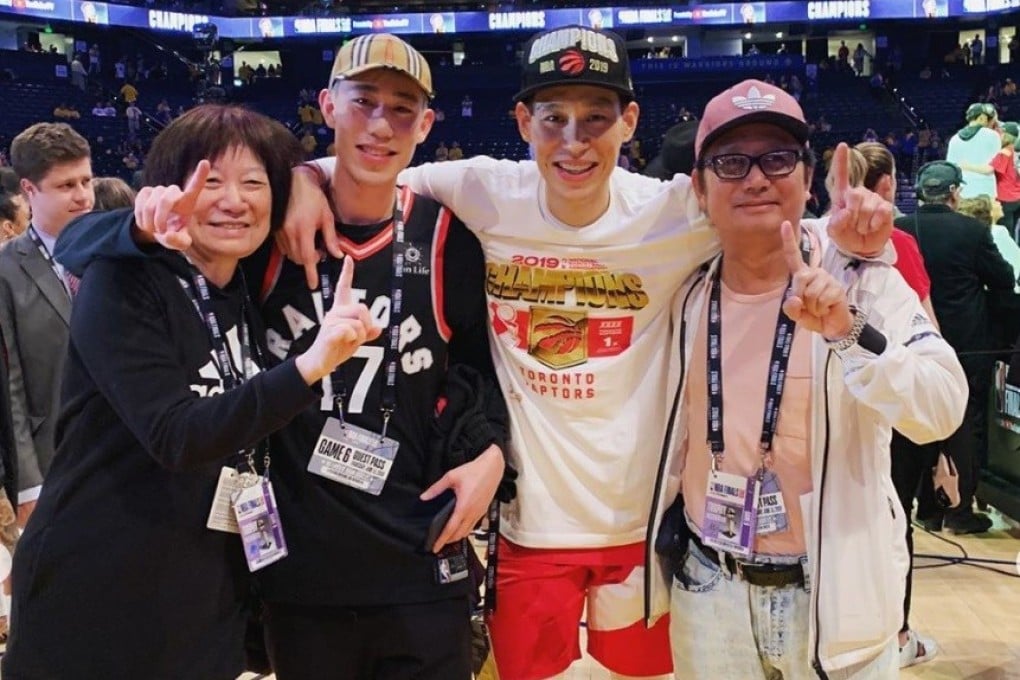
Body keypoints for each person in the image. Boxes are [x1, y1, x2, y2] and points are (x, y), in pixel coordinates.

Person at [284, 26, 894, 678]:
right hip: (531, 527)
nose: (573, 142)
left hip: (642, 527)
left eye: (596, 120)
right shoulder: (485, 190)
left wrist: (851, 236)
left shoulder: (671, 213)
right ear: (523, 121)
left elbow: (764, 214)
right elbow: (364, 165)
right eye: (554, 119)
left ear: (629, 122)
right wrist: (300, 176)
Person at [54, 35, 506, 680]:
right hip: (295, 569)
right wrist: (138, 221)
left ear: (427, 124)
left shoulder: (446, 238)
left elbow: (479, 373)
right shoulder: (261, 243)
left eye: (401, 109)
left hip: (418, 555)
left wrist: (492, 451)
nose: (379, 125)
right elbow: (82, 244)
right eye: (363, 102)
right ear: (327, 106)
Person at [3, 104, 382, 679]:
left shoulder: (244, 280)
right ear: (167, 190)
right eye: (210, 181)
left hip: (204, 591)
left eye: (254, 183)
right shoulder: (125, 279)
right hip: (97, 592)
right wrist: (308, 367)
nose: (234, 200)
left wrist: (302, 180)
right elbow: (176, 436)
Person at [649, 79, 967, 679]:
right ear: (699, 185)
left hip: (835, 597)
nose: (755, 178)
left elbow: (943, 406)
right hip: (708, 587)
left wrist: (850, 331)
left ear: (805, 173)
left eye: (776, 158)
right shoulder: (679, 290)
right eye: (730, 162)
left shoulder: (862, 279)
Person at [827, 141, 941, 668]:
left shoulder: (865, 249)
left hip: (876, 397)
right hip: (886, 409)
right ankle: (897, 633)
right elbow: (928, 326)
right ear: (890, 185)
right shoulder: (894, 242)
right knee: (891, 518)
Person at [895, 161, 1016, 534]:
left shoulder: (899, 230)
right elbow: (1003, 278)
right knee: (965, 426)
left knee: (916, 425)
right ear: (953, 193)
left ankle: (926, 508)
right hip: (964, 344)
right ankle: (959, 510)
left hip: (911, 341)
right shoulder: (972, 230)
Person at [0, 123, 92, 530]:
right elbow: (10, 385)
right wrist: (28, 484)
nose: (83, 196)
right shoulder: (5, 269)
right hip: (51, 456)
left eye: (86, 180)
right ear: (29, 190)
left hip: (126, 451)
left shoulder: (118, 253)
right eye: (66, 185)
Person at [947, 102, 1000, 199]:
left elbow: (951, 169)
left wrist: (966, 166)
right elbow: (991, 168)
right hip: (986, 191)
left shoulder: (954, 139)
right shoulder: (993, 136)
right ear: (982, 117)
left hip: (963, 192)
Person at [991, 121, 1020, 239]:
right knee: (1015, 230)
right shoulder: (1016, 151)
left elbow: (990, 169)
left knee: (1007, 234)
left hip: (1006, 198)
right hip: (1017, 197)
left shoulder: (1004, 152)